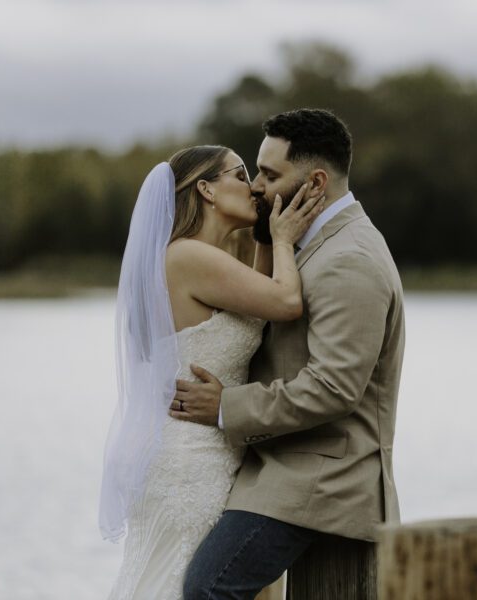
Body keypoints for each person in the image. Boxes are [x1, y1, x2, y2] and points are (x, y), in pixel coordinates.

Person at [171, 109, 406, 599]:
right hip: (280, 466)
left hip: (319, 478)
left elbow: (334, 387)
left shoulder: (349, 260)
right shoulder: (307, 243)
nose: (256, 185)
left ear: (316, 181)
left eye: (269, 174)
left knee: (207, 589)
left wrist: (224, 407)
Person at [100, 144, 324, 599]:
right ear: (205, 189)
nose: (254, 186)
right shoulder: (188, 257)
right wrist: (283, 239)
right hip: (191, 465)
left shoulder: (198, 260)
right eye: (240, 174)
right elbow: (284, 302)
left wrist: (264, 238)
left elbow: (257, 309)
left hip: (201, 454)